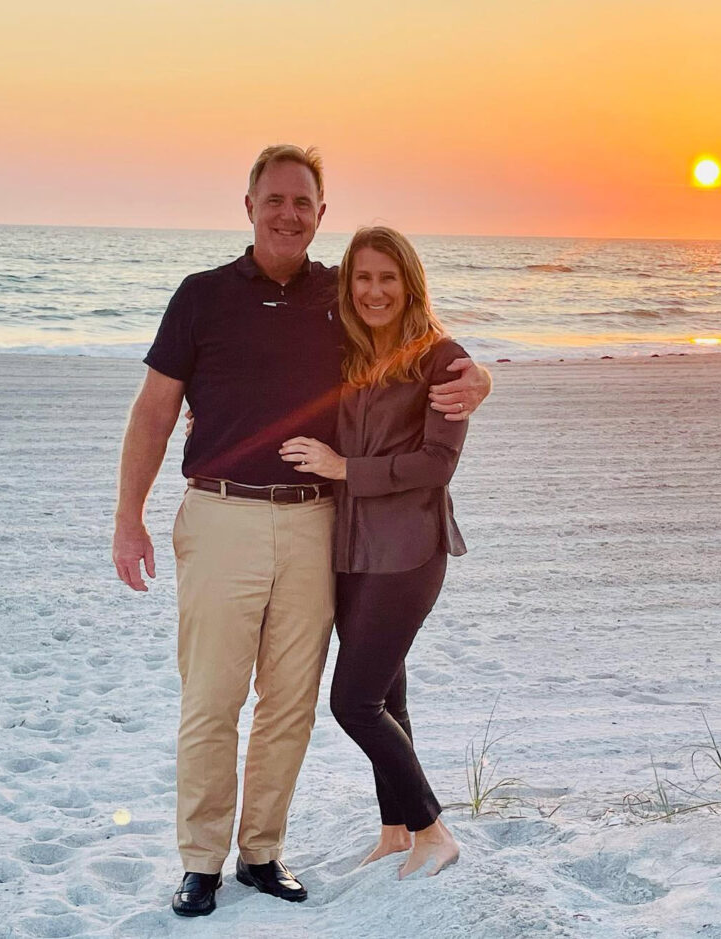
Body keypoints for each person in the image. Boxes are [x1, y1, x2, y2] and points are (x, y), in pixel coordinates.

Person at [111, 145, 490, 917]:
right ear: (248, 204)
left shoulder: (341, 299)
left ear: (322, 212)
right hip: (219, 514)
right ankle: (200, 861)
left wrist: (481, 376)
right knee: (212, 698)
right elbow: (154, 410)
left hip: (319, 520)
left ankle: (261, 852)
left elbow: (418, 350)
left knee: (290, 700)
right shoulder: (200, 296)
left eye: (303, 202)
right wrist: (129, 518)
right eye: (274, 198)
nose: (288, 213)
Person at [277, 226, 466, 879]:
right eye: (364, 278)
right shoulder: (350, 356)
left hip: (410, 550)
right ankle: (395, 830)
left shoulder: (443, 360)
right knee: (390, 695)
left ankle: (433, 829)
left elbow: (436, 463)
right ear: (348, 286)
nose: (376, 290)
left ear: (409, 283)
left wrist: (342, 466)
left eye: (388, 277)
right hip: (351, 550)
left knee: (353, 701)